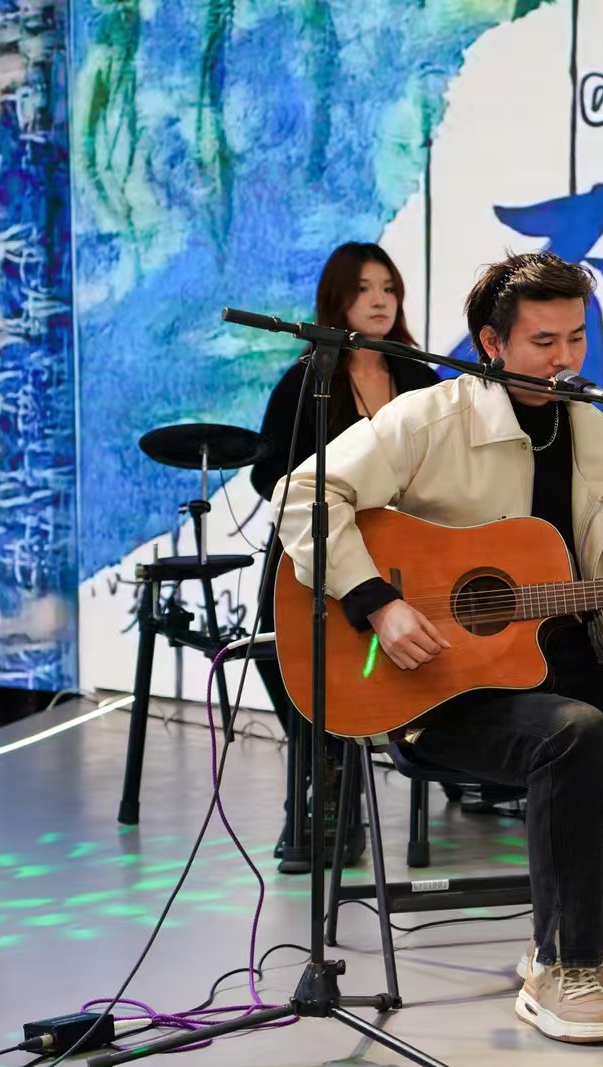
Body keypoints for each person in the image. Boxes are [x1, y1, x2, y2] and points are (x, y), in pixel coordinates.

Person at [272, 251, 603, 1044]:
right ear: (492, 343)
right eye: (542, 341)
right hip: (441, 690)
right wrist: (377, 601)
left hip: (569, 673)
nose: (564, 358)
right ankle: (562, 967)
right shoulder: (429, 419)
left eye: (576, 338)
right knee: (574, 733)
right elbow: (305, 495)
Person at [250, 241, 439, 866]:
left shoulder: (420, 378)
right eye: (363, 288)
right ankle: (324, 775)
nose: (380, 300)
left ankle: (362, 771)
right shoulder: (307, 379)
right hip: (323, 551)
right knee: (282, 643)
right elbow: (268, 475)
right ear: (337, 299)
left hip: (408, 554)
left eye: (388, 287)